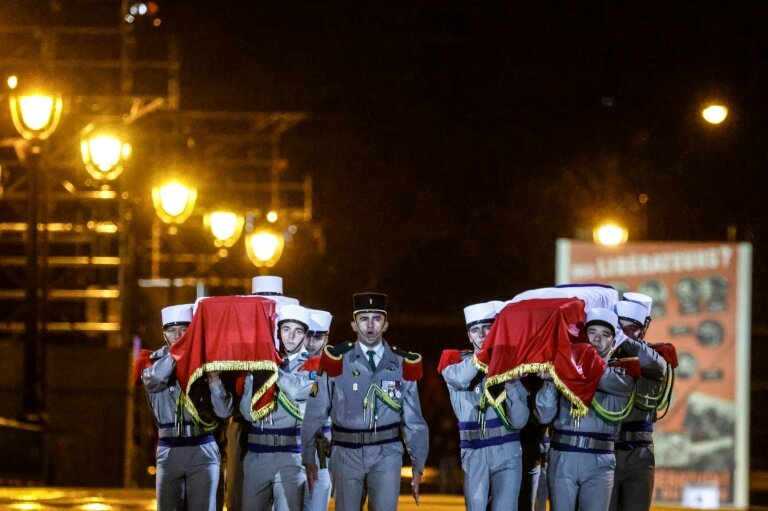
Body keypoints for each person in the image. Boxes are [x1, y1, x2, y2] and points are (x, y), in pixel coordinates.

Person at [301, 292, 429, 511]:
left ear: (385, 324)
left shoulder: (401, 363)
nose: (370, 325)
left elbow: (413, 419)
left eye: (376, 319)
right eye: (363, 318)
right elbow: (315, 411)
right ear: (354, 324)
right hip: (346, 452)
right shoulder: (336, 361)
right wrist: (308, 454)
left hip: (386, 451)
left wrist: (418, 462)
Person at [535, 308, 637, 511]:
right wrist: (548, 382)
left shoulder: (623, 372)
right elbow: (544, 415)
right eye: (592, 332)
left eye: (605, 334)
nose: (597, 339)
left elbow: (602, 378)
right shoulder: (563, 368)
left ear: (612, 341)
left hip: (600, 458)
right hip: (563, 454)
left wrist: (567, 367)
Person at [141, 303, 233, 511]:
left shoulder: (207, 362)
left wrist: (215, 381)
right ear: (164, 334)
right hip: (169, 447)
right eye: (172, 331)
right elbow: (154, 380)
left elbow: (224, 412)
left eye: (184, 330)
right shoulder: (152, 361)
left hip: (202, 446)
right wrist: (179, 355)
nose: (178, 336)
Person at [439, 301, 530, 511]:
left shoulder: (513, 365)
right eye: (475, 330)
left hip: (508, 449)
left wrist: (511, 383)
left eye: (487, 328)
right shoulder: (455, 363)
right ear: (469, 336)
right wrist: (489, 357)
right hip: (474, 450)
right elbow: (459, 379)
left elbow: (519, 421)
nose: (481, 334)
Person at [224, 275, 301, 511]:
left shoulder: (294, 350)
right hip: (245, 427)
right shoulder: (238, 345)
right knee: (240, 499)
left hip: (290, 437)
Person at [240, 304, 314, 511]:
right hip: (256, 454)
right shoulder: (259, 363)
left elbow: (297, 391)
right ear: (278, 332)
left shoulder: (312, 365)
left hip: (291, 455)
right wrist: (257, 371)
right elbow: (247, 412)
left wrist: (271, 368)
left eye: (298, 331)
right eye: (286, 329)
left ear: (305, 337)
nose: (291, 336)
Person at [609, 293, 670, 511]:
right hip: (607, 450)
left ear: (643, 329)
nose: (624, 333)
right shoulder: (602, 358)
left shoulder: (655, 358)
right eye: (619, 327)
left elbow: (649, 361)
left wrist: (617, 336)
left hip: (640, 455)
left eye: (630, 328)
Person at [301, 309, 334, 511]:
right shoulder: (288, 364)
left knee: (317, 498)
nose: (311, 342)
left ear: (326, 338)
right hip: (291, 444)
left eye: (318, 336)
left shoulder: (335, 367)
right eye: (308, 335)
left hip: (322, 446)